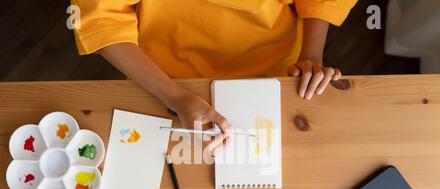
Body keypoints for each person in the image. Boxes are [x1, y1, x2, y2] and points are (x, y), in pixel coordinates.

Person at [73, 0, 357, 152]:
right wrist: (176, 97)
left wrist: (311, 57)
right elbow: (101, 19)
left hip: (277, 72)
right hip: (161, 78)